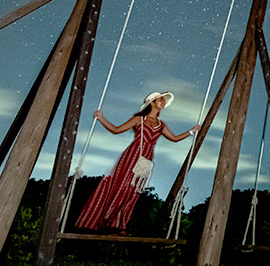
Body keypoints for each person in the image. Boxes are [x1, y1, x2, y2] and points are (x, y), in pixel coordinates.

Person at [76, 90, 198, 234]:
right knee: (122, 185)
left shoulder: (161, 125)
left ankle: (119, 225)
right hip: (132, 157)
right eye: (161, 100)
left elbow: (175, 138)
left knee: (134, 191)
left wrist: (191, 131)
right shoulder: (138, 119)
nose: (163, 103)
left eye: (164, 101)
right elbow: (116, 130)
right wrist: (101, 118)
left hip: (146, 160)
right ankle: (105, 222)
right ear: (152, 103)